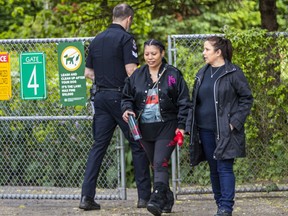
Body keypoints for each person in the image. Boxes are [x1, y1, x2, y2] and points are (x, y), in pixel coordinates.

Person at [79, 3, 151, 211]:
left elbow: (88, 73)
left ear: (114, 17)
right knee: (138, 143)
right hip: (121, 100)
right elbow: (132, 71)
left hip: (100, 98)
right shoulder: (126, 39)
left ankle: (86, 197)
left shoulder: (97, 39)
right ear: (128, 19)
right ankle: (144, 198)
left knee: (98, 147)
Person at [121, 39, 191, 216]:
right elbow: (126, 97)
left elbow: (184, 102)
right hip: (144, 128)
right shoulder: (137, 75)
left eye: (154, 53)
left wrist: (182, 125)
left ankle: (157, 199)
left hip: (168, 126)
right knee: (155, 164)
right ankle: (167, 196)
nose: (150, 57)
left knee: (160, 162)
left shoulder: (173, 74)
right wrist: (127, 109)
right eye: (146, 54)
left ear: (162, 54)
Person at [186, 36, 253, 216]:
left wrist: (234, 123)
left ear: (218, 52)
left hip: (225, 130)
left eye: (207, 49)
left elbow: (246, 99)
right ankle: (219, 205)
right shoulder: (202, 73)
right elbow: (195, 102)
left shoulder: (233, 72)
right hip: (204, 130)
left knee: (224, 167)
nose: (203, 53)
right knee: (214, 168)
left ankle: (226, 207)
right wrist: (189, 125)